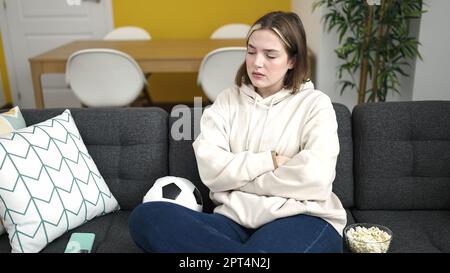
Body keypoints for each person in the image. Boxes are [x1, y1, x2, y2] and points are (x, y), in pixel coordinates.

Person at [128, 11, 346, 253]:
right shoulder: (227, 101)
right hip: (232, 221)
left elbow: (315, 178)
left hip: (300, 218)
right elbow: (211, 170)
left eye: (270, 55)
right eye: (251, 51)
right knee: (147, 216)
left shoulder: (315, 104)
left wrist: (236, 182)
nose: (257, 62)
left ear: (292, 60)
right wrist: (269, 161)